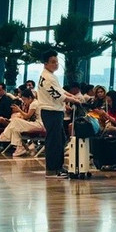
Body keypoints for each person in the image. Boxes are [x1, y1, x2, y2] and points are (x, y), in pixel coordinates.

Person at [36, 50, 82, 178]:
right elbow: (57, 95)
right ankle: (52, 169)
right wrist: (74, 100)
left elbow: (60, 90)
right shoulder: (48, 78)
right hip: (51, 111)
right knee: (54, 141)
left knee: (60, 139)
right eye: (52, 62)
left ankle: (58, 166)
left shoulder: (49, 75)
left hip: (54, 111)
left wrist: (72, 95)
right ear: (45, 63)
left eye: (57, 62)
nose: (55, 64)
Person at [0, 88, 43, 157]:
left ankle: (6, 135)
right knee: (15, 127)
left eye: (24, 100)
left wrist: (19, 110)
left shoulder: (34, 104)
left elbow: (27, 116)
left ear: (29, 97)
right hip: (35, 123)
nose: (24, 102)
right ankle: (19, 147)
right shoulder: (33, 103)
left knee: (15, 121)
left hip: (39, 124)